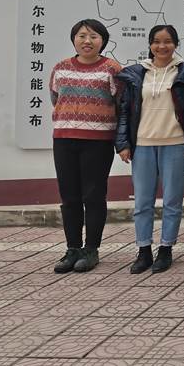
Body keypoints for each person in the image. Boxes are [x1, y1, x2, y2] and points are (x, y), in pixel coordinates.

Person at [115, 25, 184, 274]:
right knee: (143, 202)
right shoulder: (136, 74)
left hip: (176, 144)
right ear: (150, 44)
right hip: (142, 145)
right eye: (156, 41)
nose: (161, 46)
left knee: (172, 201)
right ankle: (143, 250)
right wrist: (123, 143)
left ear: (176, 44)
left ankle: (166, 249)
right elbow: (125, 111)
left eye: (167, 41)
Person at [49, 19, 122, 273]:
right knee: (69, 196)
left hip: (98, 142)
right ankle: (72, 249)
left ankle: (91, 250)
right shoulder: (60, 68)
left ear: (103, 41)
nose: (87, 41)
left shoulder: (113, 69)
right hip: (64, 139)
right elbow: (55, 98)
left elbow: (121, 104)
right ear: (74, 40)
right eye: (81, 36)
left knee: (93, 195)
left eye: (93, 36)